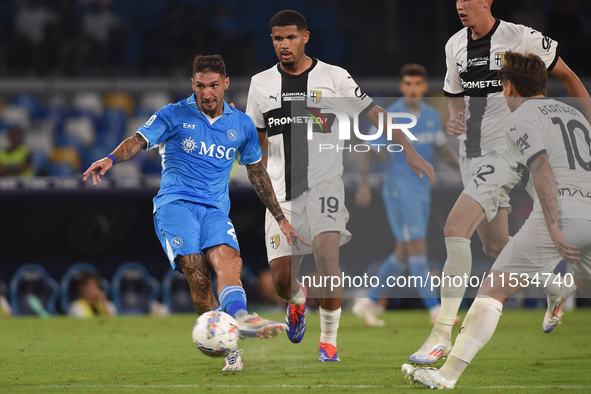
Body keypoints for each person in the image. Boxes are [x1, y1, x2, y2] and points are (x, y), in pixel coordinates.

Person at [83, 54, 308, 371]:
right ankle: (230, 349)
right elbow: (138, 141)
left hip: (215, 209)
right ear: (193, 85)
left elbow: (257, 173)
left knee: (229, 259)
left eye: (214, 85)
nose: (207, 93)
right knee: (197, 270)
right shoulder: (174, 114)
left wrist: (281, 218)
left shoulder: (241, 124)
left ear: (225, 84)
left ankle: (242, 318)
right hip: (175, 205)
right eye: (201, 86)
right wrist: (110, 158)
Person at [246, 10, 435, 362]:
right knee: (282, 283)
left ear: (305, 37)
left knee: (327, 258)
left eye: (290, 37)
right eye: (276, 39)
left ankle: (329, 342)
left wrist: (407, 148)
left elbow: (373, 112)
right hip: (282, 193)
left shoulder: (334, 77)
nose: (283, 45)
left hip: (324, 184)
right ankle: (298, 302)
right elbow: (258, 140)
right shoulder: (261, 84)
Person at [409, 0, 591, 366]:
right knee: (495, 246)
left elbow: (568, 76)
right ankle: (554, 285)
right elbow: (456, 99)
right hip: (472, 154)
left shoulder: (520, 37)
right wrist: (455, 121)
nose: (461, 5)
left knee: (454, 227)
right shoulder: (454, 45)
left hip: (507, 151)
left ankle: (441, 333)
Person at [352, 64, 460, 327]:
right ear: (402, 87)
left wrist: (464, 170)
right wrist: (364, 185)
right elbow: (367, 149)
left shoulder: (432, 115)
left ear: (424, 87)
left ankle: (367, 301)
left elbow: (443, 150)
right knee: (417, 248)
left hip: (422, 190)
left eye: (417, 84)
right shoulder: (391, 115)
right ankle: (435, 310)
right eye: (408, 84)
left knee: (403, 253)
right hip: (400, 190)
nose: (413, 89)